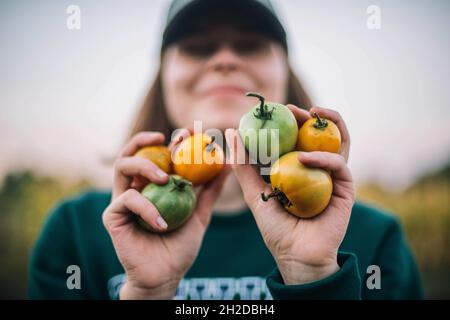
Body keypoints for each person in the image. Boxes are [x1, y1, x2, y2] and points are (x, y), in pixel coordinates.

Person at [28, 0, 423, 300]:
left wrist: (313, 275)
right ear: (163, 76)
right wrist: (147, 293)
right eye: (199, 48)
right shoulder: (78, 234)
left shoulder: (372, 239)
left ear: (286, 73)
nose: (225, 60)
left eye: (250, 46)